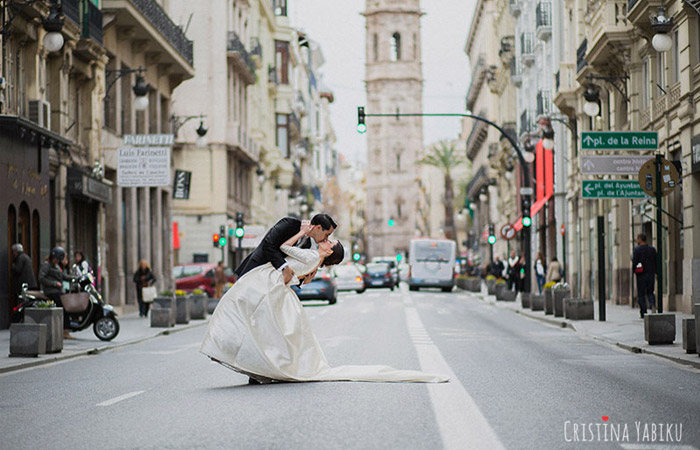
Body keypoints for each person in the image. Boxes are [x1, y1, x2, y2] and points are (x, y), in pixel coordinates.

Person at [201, 220, 447, 384]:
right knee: (265, 332)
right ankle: (257, 366)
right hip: (271, 287)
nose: (328, 239)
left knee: (255, 326)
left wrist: (302, 234)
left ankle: (250, 362)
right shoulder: (312, 258)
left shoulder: (311, 255)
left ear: (328, 251)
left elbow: (281, 247)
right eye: (328, 236)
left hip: (270, 288)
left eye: (330, 240)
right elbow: (279, 251)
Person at [235, 213, 337, 285]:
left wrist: (303, 281)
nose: (326, 239)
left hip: (271, 282)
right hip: (256, 268)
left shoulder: (307, 244)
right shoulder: (288, 224)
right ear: (318, 228)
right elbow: (268, 245)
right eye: (327, 234)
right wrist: (284, 267)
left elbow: (294, 268)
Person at [38, 247, 75, 339]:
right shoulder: (46, 265)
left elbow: (63, 276)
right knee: (64, 307)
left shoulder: (56, 266)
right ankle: (65, 331)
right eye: (56, 259)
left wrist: (76, 278)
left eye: (59, 260)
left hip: (57, 290)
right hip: (51, 291)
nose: (57, 261)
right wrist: (54, 283)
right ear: (52, 257)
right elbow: (41, 278)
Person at [632, 233, 657, 318]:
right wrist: (656, 273)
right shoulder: (652, 250)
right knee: (650, 291)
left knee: (641, 294)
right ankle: (652, 304)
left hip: (641, 275)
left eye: (637, 239)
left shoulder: (637, 250)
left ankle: (643, 311)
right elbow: (656, 262)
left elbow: (634, 262)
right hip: (650, 274)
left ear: (640, 239)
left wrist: (634, 271)